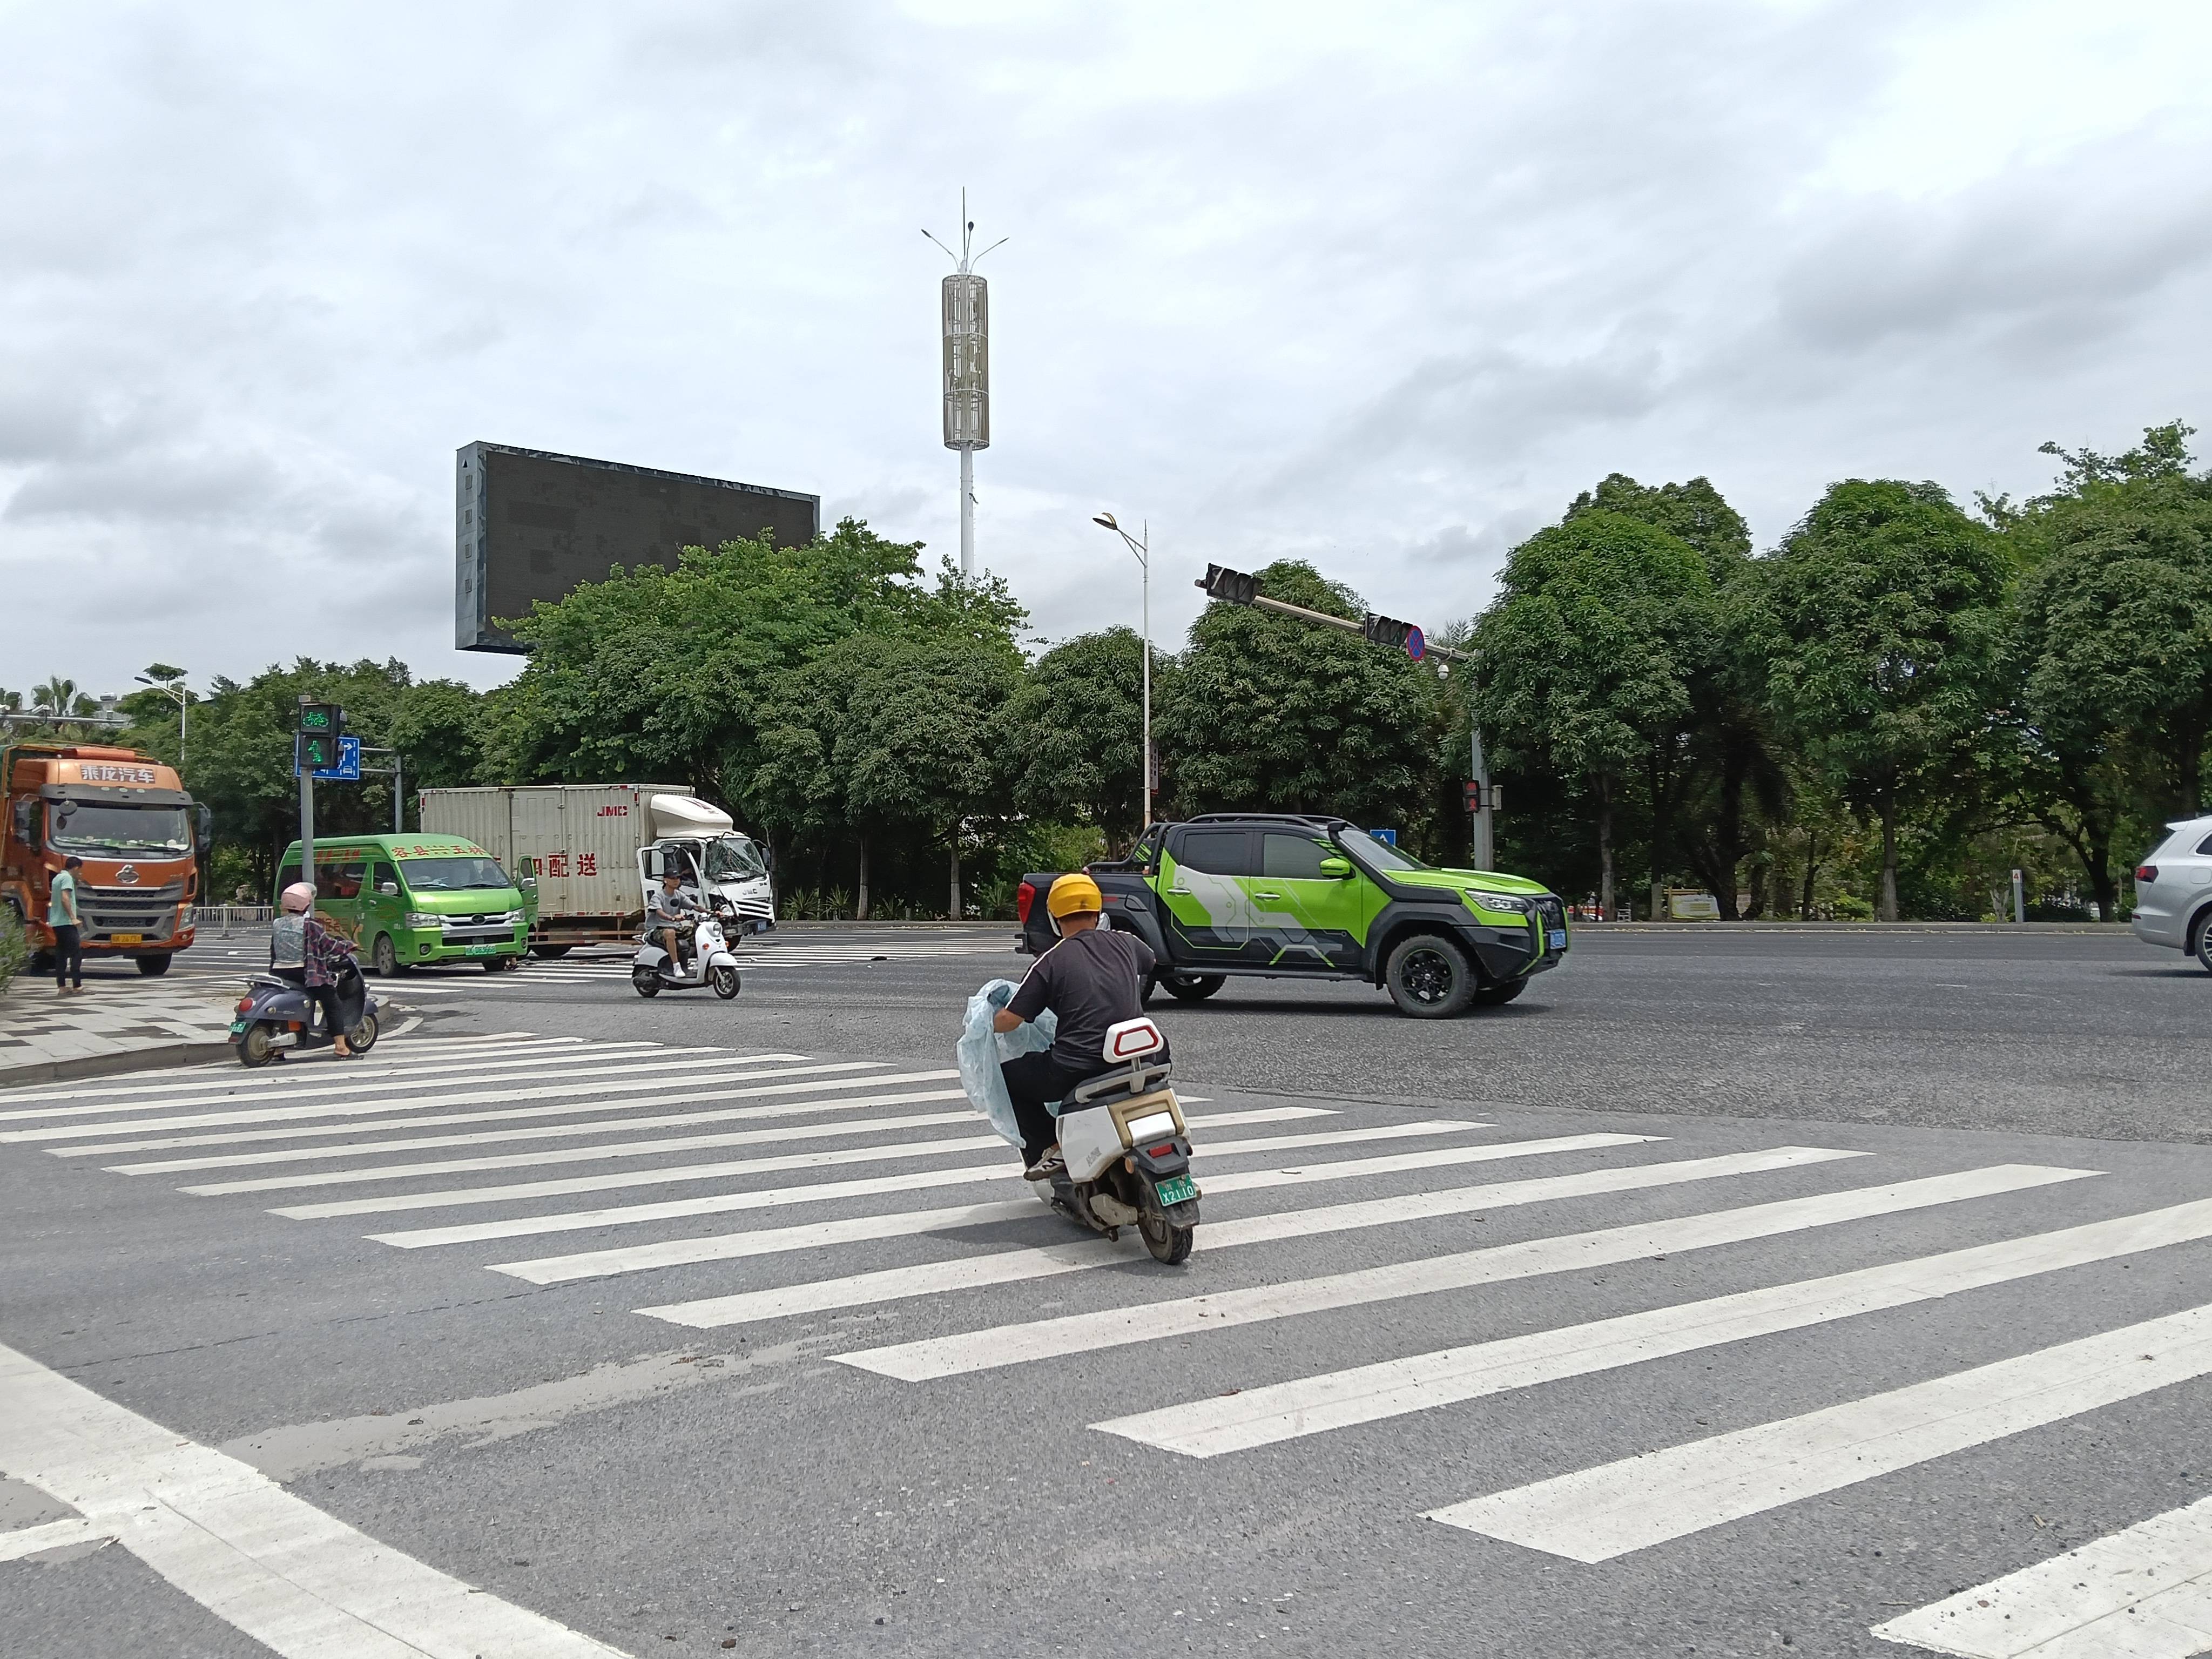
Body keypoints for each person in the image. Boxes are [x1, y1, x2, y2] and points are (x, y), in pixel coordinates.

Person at [992, 873, 1159, 1181]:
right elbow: (1150, 961)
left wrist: (987, 1016)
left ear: (1055, 918)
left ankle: (1051, 1149)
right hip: (1139, 1060)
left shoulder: (1050, 961)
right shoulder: (1127, 943)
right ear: (1098, 913)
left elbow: (1010, 1020)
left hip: (1077, 1068)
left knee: (1008, 1078)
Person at [272, 882, 360, 1058]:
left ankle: (278, 1049)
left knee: (285, 1007)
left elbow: (273, 949)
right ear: (305, 904)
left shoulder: (277, 924)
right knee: (333, 1004)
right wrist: (348, 946)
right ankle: (341, 1047)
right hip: (306, 974)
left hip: (280, 973)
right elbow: (329, 946)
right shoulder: (311, 925)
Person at [646, 866, 705, 974]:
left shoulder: (679, 895)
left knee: (699, 930)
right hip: (658, 929)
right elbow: (660, 912)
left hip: (674, 926)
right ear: (665, 880)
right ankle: (676, 966)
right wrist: (673, 918)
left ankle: (698, 962)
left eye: (678, 878)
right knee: (670, 933)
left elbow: (695, 906)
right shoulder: (658, 897)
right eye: (673, 878)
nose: (676, 880)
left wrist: (712, 912)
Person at [49, 855, 84, 994]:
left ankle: (62, 986)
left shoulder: (58, 878)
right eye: (79, 870)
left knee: (61, 954)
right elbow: (65, 898)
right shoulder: (67, 878)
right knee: (77, 953)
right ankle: (77, 985)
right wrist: (73, 918)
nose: (80, 873)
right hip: (66, 922)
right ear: (75, 868)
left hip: (57, 922)